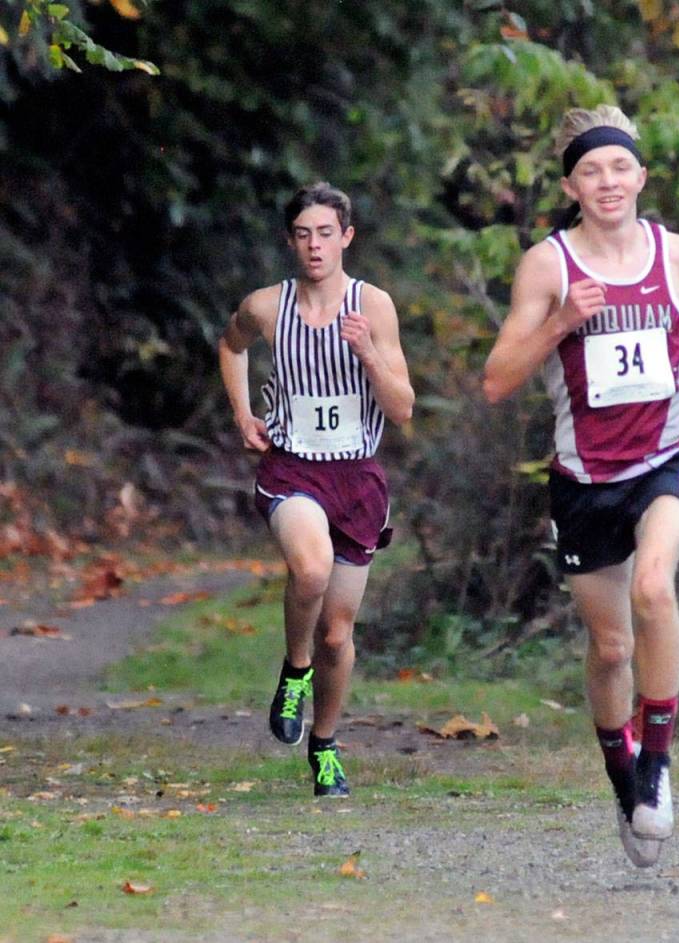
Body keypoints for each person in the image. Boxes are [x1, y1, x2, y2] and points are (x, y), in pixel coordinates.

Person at [482, 106, 679, 866]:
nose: (607, 182)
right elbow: (497, 380)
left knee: (654, 587)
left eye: (619, 167)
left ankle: (657, 764)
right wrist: (562, 320)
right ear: (572, 184)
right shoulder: (550, 265)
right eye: (591, 170)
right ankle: (621, 769)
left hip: (669, 456)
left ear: (641, 177)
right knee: (610, 645)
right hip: (585, 477)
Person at [218, 181, 414, 797]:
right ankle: (293, 672)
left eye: (325, 233)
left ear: (347, 238)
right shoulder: (267, 306)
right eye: (303, 235)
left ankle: (325, 746)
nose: (314, 246)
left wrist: (368, 354)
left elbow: (403, 407)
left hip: (356, 479)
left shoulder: (373, 307)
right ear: (290, 241)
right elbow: (230, 345)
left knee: (338, 634)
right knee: (310, 568)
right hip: (292, 469)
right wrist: (242, 413)